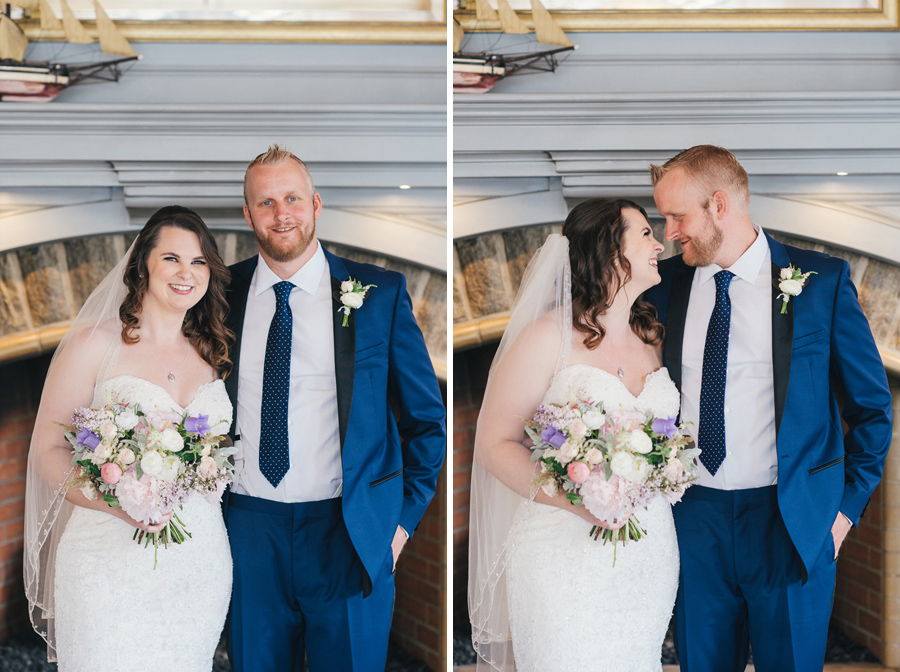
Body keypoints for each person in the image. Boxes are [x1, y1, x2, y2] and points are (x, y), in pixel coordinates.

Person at [644, 145, 893, 672]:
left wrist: (843, 513)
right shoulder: (663, 289)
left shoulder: (821, 282)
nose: (668, 233)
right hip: (693, 518)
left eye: (677, 216)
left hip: (792, 521)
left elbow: (872, 409)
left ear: (719, 204)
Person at [222, 144, 446, 672]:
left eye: (293, 198)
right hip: (247, 530)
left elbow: (427, 423)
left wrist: (399, 527)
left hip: (349, 532)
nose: (282, 214)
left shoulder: (379, 295)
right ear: (248, 214)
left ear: (316, 204)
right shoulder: (218, 294)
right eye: (266, 202)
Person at [469, 198, 680, 672]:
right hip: (562, 555)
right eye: (645, 233)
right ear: (610, 248)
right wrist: (580, 501)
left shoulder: (652, 339)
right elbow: (493, 443)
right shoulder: (548, 336)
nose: (659, 243)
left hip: (647, 556)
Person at [23, 206, 235, 669]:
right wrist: (120, 504)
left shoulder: (212, 353)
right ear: (142, 266)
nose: (187, 273)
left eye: (199, 262)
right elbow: (47, 451)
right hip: (106, 566)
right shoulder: (94, 345)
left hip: (198, 565)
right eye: (172, 259)